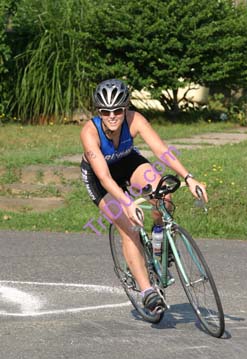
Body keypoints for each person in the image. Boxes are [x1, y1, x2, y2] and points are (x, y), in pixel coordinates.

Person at [80, 79, 208, 313]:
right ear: (99, 113)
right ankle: (148, 291)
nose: (112, 116)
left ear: (125, 108)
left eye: (117, 110)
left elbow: (162, 151)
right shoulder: (90, 133)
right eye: (105, 112)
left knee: (164, 194)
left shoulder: (135, 120)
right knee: (129, 227)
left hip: (128, 162)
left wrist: (189, 177)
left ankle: (159, 241)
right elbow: (105, 178)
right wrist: (127, 203)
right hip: (101, 178)